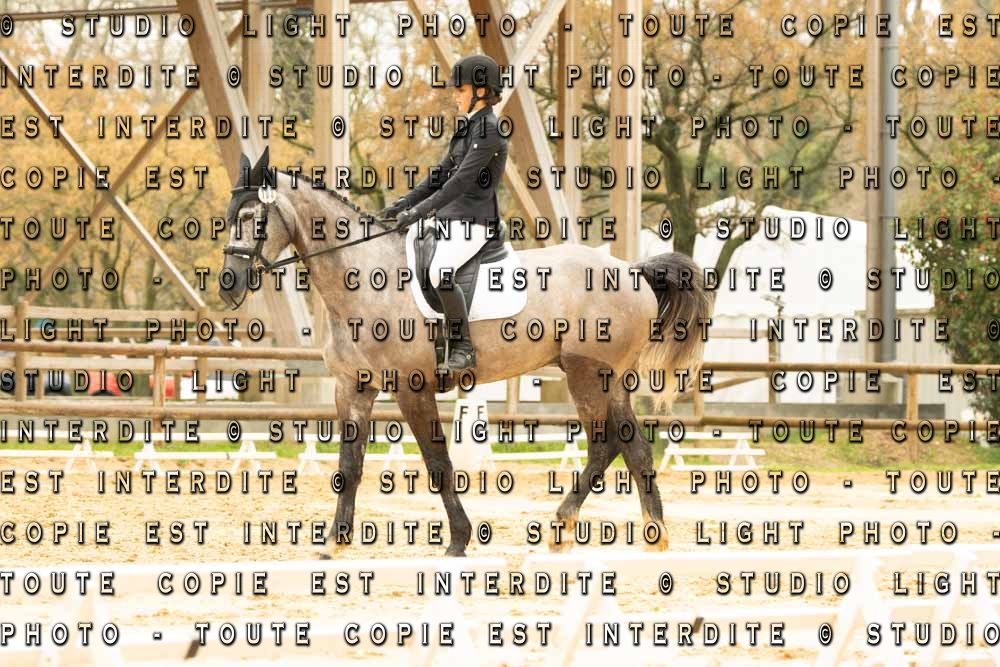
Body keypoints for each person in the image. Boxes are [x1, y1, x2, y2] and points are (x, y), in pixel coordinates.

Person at [377, 54, 508, 371]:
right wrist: (403, 203)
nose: (455, 96)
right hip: (451, 220)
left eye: (460, 90)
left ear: (481, 91)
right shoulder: (468, 129)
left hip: (475, 222)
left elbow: (460, 182)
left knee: (439, 271)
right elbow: (438, 176)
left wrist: (420, 211)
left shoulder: (489, 130)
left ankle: (463, 347)